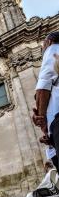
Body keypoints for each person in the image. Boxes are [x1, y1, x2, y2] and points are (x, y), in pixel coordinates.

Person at [33, 32, 59, 171]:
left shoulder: (53, 49)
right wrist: (49, 135)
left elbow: (43, 86)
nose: (42, 50)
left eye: (42, 46)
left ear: (48, 42)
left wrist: (40, 118)